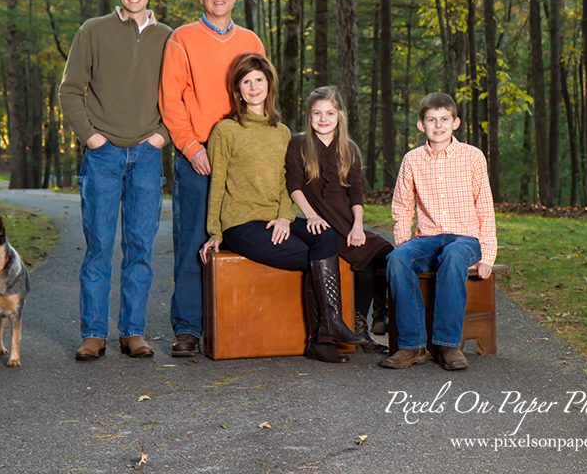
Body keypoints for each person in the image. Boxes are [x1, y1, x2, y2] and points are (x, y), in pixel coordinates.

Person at [199, 54, 368, 363]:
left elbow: (285, 183)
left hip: (275, 219)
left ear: (269, 85)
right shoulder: (225, 130)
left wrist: (284, 217)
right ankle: (327, 332)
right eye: (246, 82)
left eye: (259, 80)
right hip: (242, 225)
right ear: (237, 90)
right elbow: (218, 183)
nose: (253, 87)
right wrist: (214, 233)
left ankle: (324, 334)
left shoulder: (282, 133)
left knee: (325, 237)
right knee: (318, 259)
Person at [59, 0, 171, 361]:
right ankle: (93, 333)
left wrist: (164, 136)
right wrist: (91, 138)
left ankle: (132, 332)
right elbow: (70, 90)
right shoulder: (93, 31)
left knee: (140, 247)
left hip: (146, 154)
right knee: (99, 247)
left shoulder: (167, 37)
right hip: (103, 156)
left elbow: (179, 96)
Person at [159, 0, 265, 357]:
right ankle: (187, 327)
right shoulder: (182, 39)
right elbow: (170, 100)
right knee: (194, 240)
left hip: (242, 152)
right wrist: (190, 147)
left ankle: (237, 318)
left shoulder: (250, 39)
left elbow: (259, 95)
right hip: (199, 153)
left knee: (244, 235)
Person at [380, 92, 497, 371]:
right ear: (422, 125)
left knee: (454, 255)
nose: (439, 125)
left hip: (466, 239)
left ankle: (448, 345)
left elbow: (485, 206)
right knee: (396, 259)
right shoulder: (412, 160)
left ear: (455, 122)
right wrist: (403, 244)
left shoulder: (472, 157)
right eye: (432, 120)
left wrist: (488, 256)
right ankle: (412, 345)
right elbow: (402, 207)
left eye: (445, 119)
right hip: (428, 237)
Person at [285, 87, 392, 353]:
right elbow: (294, 186)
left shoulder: (349, 148)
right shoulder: (299, 144)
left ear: (340, 115)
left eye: (330, 113)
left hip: (348, 221)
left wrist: (358, 226)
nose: (323, 119)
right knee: (364, 264)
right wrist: (310, 215)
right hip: (323, 224)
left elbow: (356, 192)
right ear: (309, 115)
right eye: (317, 113)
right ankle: (359, 328)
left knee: (387, 252)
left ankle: (379, 313)